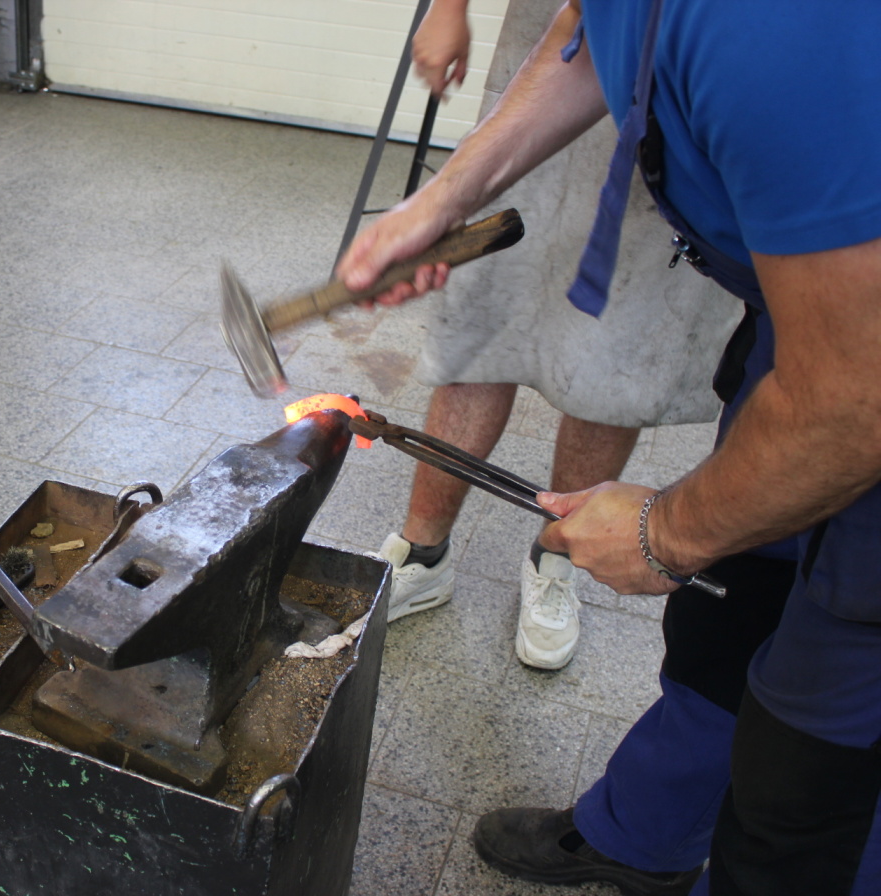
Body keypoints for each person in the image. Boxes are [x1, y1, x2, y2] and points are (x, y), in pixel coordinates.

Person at [338, 1, 881, 894]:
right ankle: (646, 833)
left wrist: (664, 532)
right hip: (810, 329)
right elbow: (585, 33)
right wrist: (443, 199)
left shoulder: (789, 29)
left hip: (858, 382)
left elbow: (851, 405)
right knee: (736, 602)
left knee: (819, 763)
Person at [376, 0, 739, 671]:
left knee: (615, 353)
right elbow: (582, 25)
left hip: (689, 92)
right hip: (546, 62)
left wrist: (674, 534)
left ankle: (558, 558)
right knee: (483, 325)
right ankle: (422, 554)